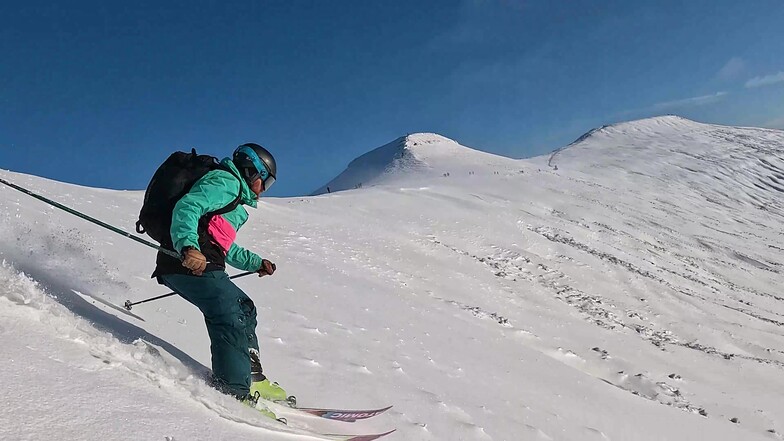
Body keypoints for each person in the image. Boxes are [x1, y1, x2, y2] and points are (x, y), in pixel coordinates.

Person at [151, 143, 287, 417]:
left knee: (244, 307)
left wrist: (256, 262)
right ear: (251, 172)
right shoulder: (226, 182)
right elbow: (187, 207)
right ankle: (233, 392)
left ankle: (252, 375)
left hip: (205, 264)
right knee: (229, 312)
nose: (263, 190)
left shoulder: (234, 201)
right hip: (184, 262)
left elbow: (225, 247)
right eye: (265, 181)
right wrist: (188, 246)